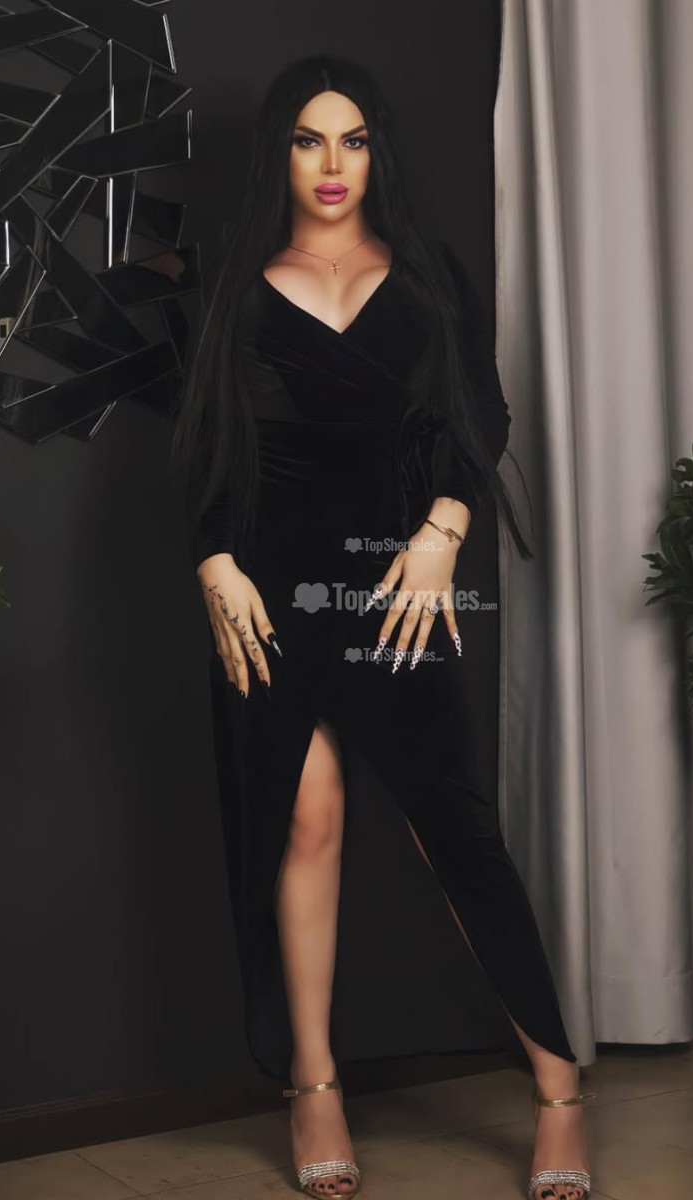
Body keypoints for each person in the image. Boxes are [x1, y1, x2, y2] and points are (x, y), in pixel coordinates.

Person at [171, 54, 593, 1200]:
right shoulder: (233, 282)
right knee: (303, 820)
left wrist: (445, 528)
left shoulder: (425, 273)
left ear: (375, 153)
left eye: (351, 139)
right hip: (269, 592)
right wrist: (213, 562)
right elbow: (207, 441)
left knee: (454, 835)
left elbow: (481, 413)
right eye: (309, 139)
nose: (331, 164)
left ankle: (557, 1092)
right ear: (280, 154)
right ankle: (313, 1082)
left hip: (396, 585)